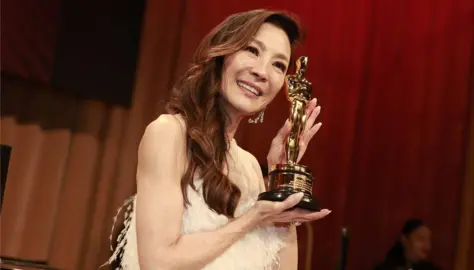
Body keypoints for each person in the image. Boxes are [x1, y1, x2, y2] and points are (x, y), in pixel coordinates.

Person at [105, 9, 331, 270]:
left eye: (278, 65)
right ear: (223, 53)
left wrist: (282, 188)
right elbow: (158, 262)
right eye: (252, 50)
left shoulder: (250, 168)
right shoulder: (168, 134)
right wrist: (253, 217)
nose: (262, 72)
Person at [374, 219, 440, 270]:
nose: (428, 246)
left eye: (429, 240)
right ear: (404, 240)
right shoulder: (386, 268)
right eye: (421, 239)